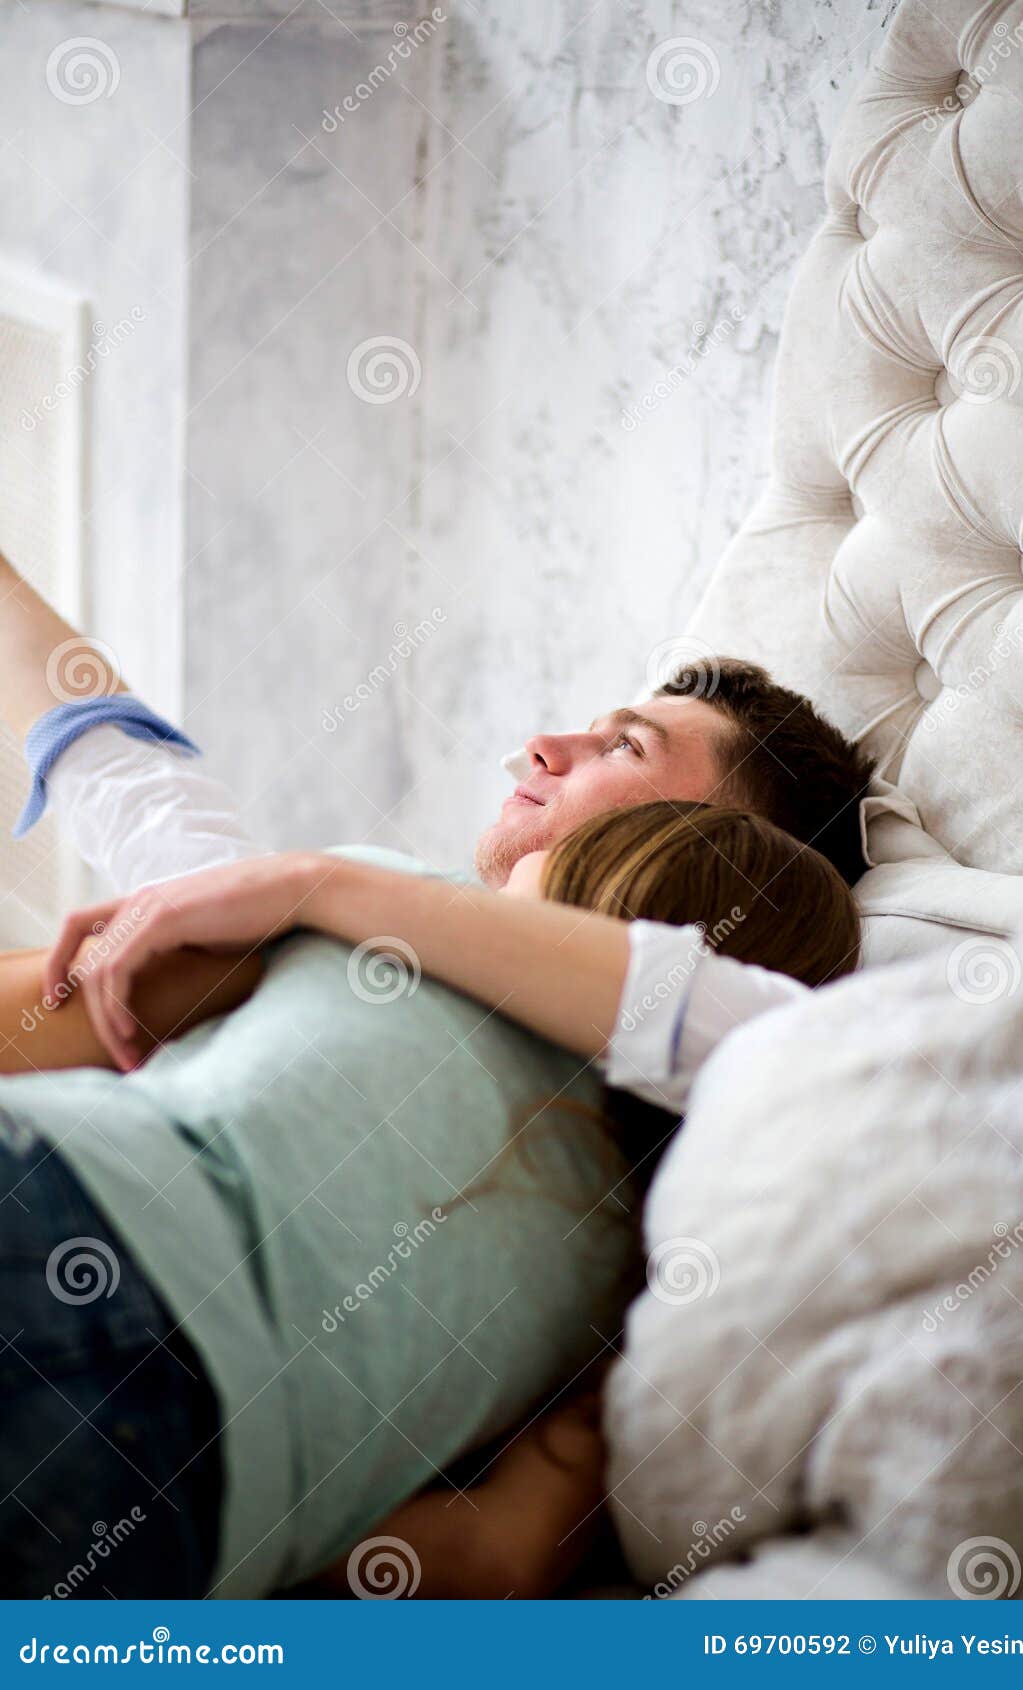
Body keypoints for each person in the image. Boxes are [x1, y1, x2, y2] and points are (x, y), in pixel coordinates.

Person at [0, 551, 871, 1598]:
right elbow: (490, 1555)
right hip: (182, 1516)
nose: (541, 746)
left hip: (59, 1238)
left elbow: (763, 1024)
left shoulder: (354, 920)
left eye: (621, 746)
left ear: (721, 844)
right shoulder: (643, 1263)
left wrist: (320, 882)